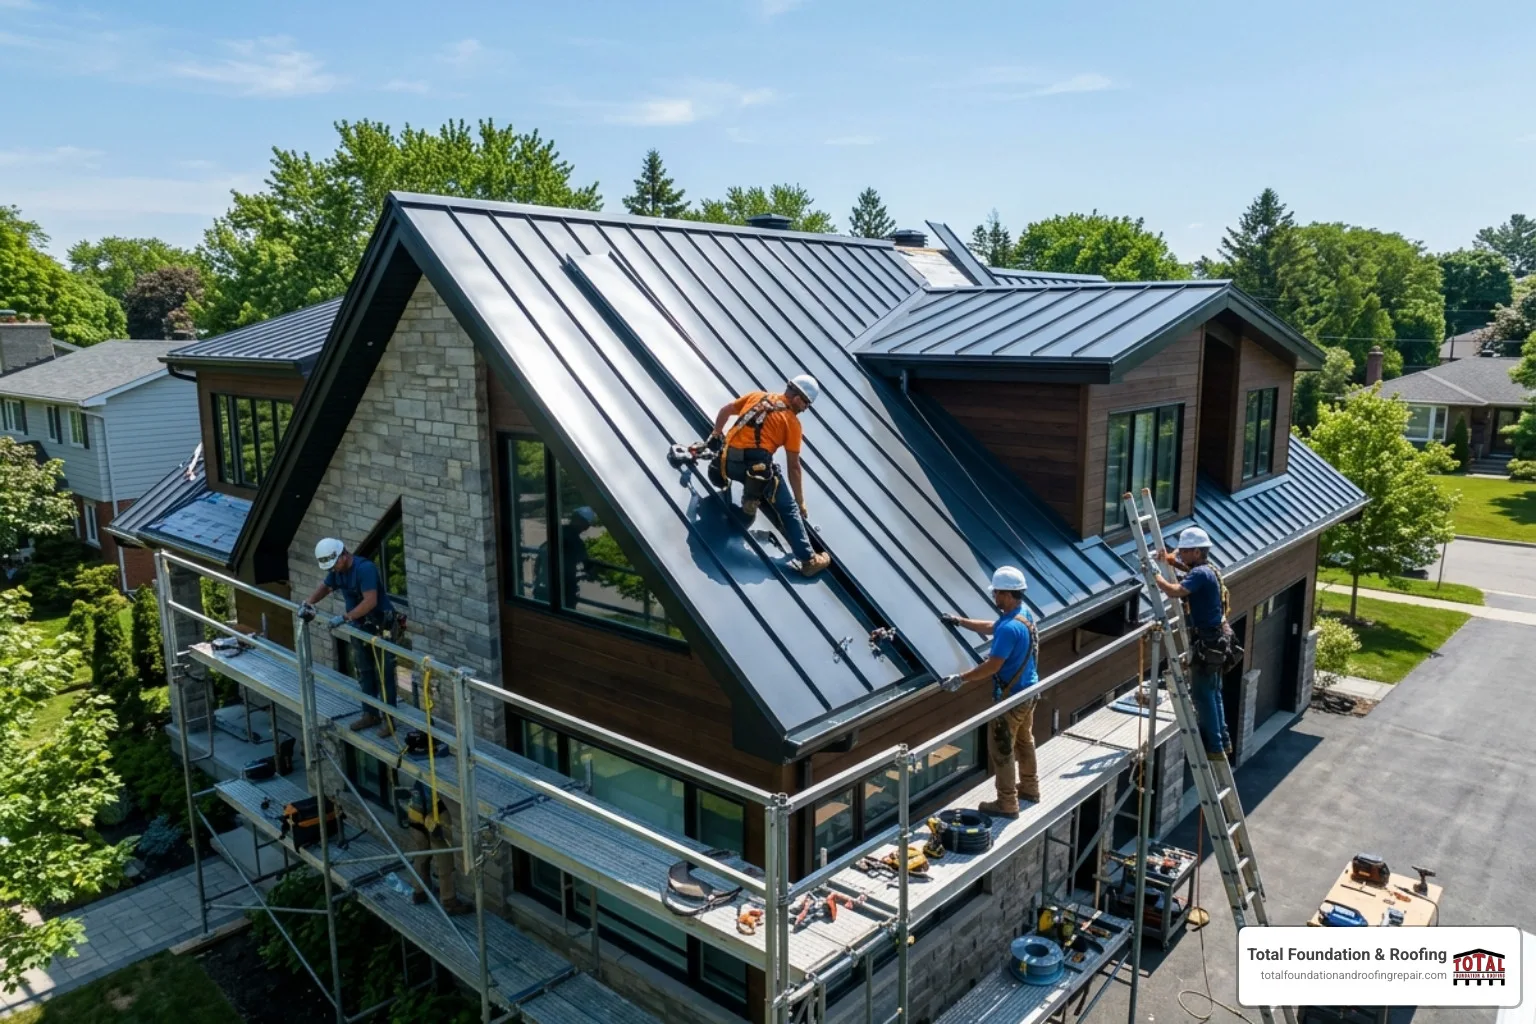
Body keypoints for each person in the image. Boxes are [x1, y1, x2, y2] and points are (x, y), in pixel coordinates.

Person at [936, 566, 1040, 818]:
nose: (994, 598)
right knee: (1025, 741)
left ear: (1006, 594)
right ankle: (1030, 788)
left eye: (996, 594)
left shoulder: (1008, 628)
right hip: (1029, 692)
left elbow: (993, 665)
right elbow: (993, 626)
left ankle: (1007, 803)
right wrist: (961, 622)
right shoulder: (1022, 615)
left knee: (1002, 749)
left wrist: (961, 679)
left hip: (1011, 699)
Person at [705, 374, 831, 577]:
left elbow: (725, 411)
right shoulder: (791, 422)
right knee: (788, 508)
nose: (805, 409)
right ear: (798, 398)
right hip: (754, 472)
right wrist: (800, 502)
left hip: (726, 464)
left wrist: (716, 434)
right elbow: (794, 467)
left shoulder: (757, 396)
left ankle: (751, 499)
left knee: (759, 473)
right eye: (806, 404)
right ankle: (809, 560)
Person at [1151, 526, 1234, 760]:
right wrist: (1169, 559)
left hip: (1208, 640)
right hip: (1217, 638)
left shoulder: (1199, 574)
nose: (1181, 555)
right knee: (1214, 691)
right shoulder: (1209, 569)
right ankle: (1222, 740)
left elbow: (1174, 591)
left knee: (1202, 693)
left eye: (1185, 551)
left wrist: (1153, 573)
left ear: (1197, 552)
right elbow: (1186, 570)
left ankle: (1215, 747)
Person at [301, 538, 397, 734]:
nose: (333, 569)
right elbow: (326, 587)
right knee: (365, 671)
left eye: (334, 564)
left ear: (344, 554)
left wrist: (345, 617)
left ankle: (390, 720)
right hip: (360, 626)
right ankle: (370, 714)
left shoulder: (365, 569)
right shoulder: (337, 572)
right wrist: (309, 602)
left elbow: (370, 601)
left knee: (384, 673)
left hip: (382, 626)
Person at [402, 782, 470, 915]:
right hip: (434, 811)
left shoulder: (419, 762)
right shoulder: (438, 762)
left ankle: (420, 891)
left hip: (415, 808)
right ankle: (449, 901)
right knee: (444, 857)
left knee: (422, 852)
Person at [533, 505, 596, 605]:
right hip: (562, 591)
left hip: (543, 586)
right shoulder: (576, 542)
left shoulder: (559, 532)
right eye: (586, 524)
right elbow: (585, 564)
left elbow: (542, 552)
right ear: (584, 525)